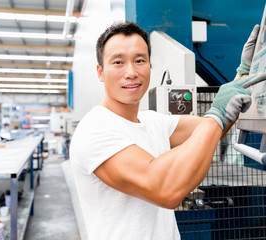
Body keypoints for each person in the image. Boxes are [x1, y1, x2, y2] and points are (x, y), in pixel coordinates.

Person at [69, 21, 265, 240]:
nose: (131, 72)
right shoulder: (94, 129)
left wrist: (243, 76)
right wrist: (217, 113)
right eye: (118, 62)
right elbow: (164, 188)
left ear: (150, 66)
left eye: (139, 60)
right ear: (100, 72)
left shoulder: (153, 122)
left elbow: (211, 128)